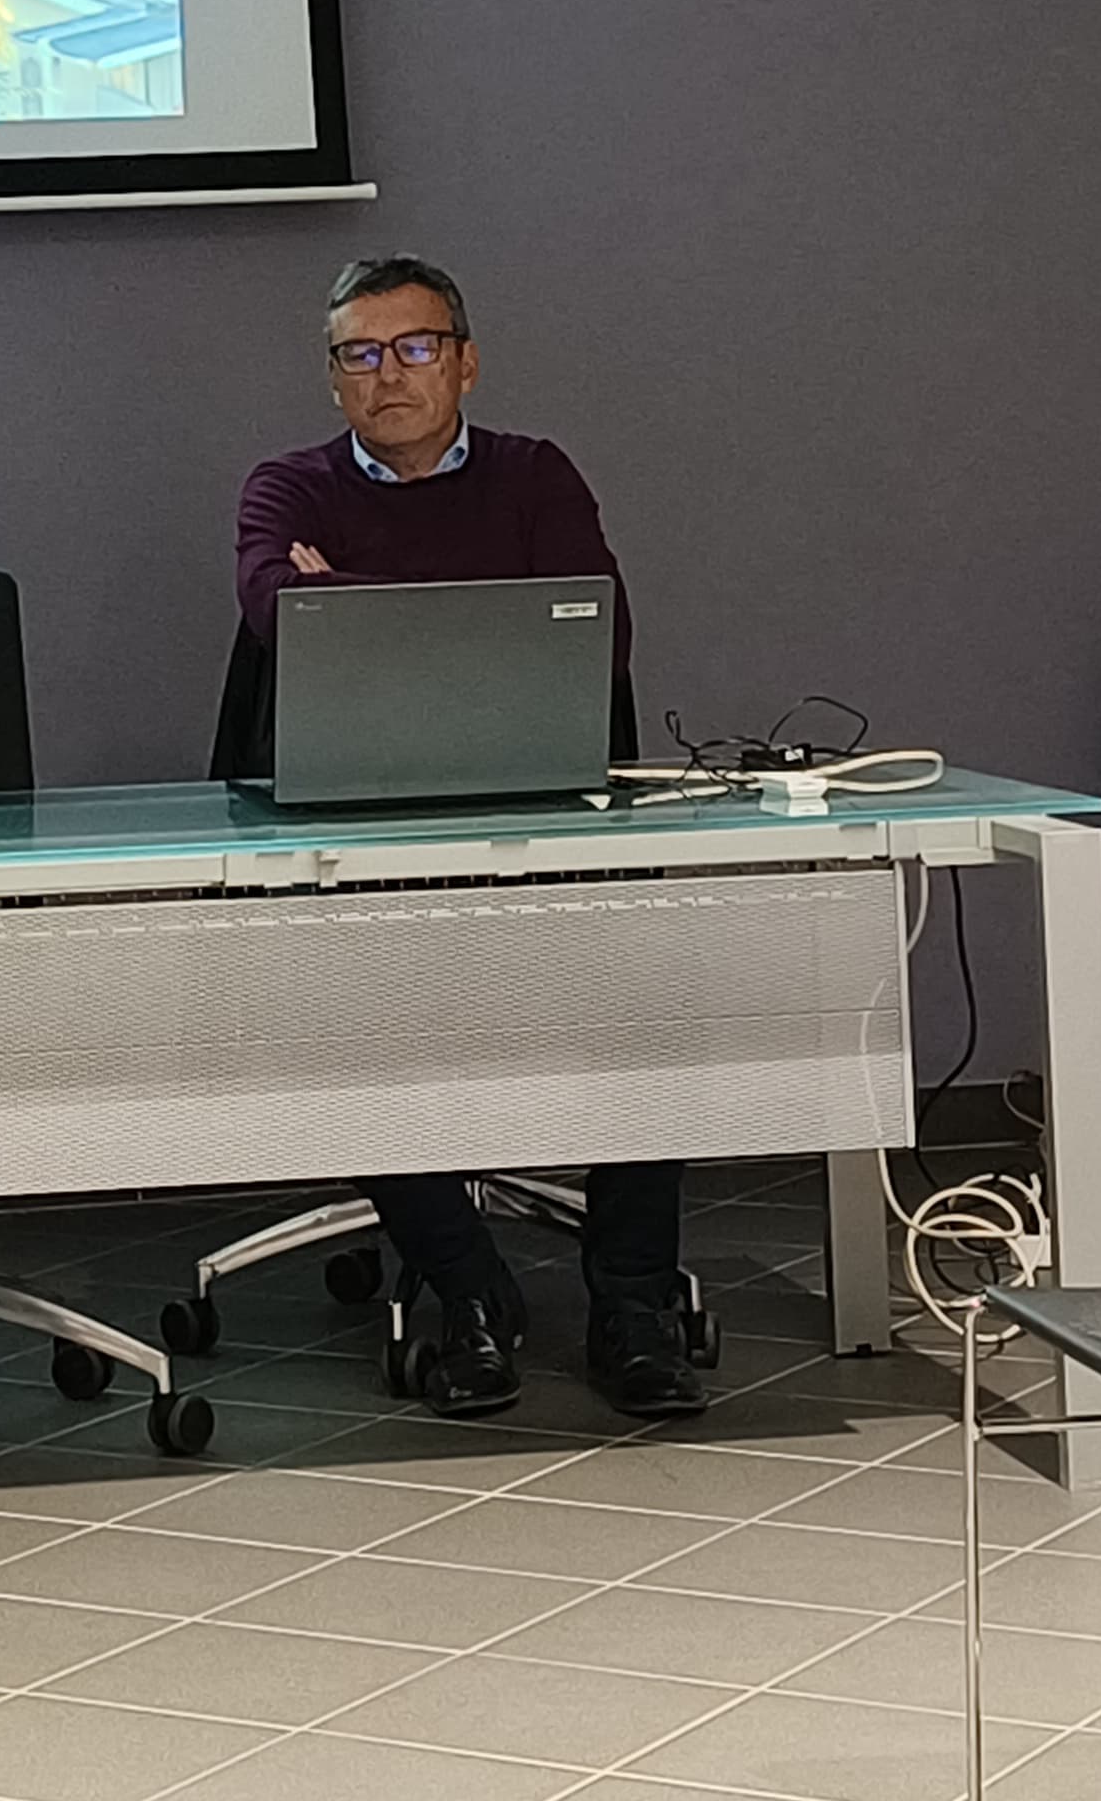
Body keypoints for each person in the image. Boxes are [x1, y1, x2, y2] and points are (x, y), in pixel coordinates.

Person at [232, 253, 707, 1423]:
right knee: (357, 1021)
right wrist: (455, 621)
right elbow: (278, 620)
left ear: (465, 361)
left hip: (537, 833)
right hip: (347, 850)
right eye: (359, 354)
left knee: (659, 1007)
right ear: (332, 377)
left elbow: (587, 639)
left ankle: (632, 1304)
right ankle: (470, 1292)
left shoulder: (535, 475)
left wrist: (355, 601)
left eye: (413, 347)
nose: (387, 374)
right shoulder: (283, 489)